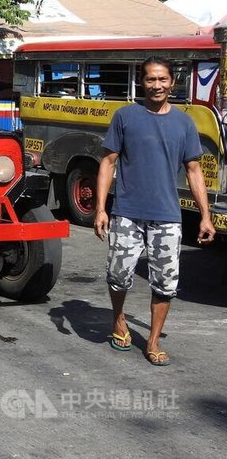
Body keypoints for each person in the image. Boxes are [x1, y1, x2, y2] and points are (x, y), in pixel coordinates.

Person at [94, 56, 215, 366]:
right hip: (127, 212)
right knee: (118, 274)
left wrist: (205, 215)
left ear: (172, 82)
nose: (157, 85)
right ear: (142, 82)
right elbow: (108, 163)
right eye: (151, 79)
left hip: (167, 216)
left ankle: (152, 339)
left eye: (162, 79)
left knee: (166, 282)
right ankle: (119, 319)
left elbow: (194, 170)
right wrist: (100, 209)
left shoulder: (184, 122)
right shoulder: (125, 117)